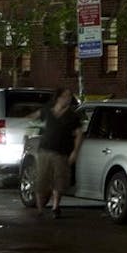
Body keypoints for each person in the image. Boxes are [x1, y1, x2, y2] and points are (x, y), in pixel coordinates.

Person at [37, 87, 82, 220]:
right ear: (58, 98)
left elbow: (79, 134)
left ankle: (56, 207)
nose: (67, 99)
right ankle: (40, 209)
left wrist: (75, 151)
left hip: (61, 152)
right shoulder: (47, 112)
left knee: (59, 180)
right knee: (42, 180)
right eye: (65, 96)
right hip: (44, 150)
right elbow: (34, 121)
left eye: (69, 97)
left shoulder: (72, 116)